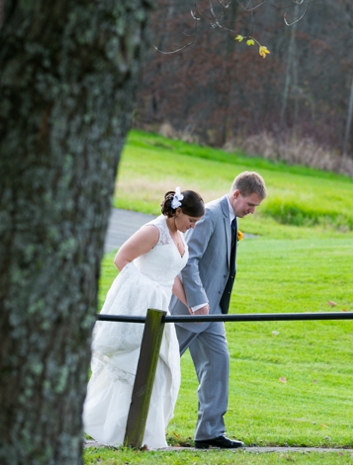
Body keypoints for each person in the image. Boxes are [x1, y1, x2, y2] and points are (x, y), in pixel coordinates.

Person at [83, 188, 205, 450]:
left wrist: (190, 305)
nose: (192, 226)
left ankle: (147, 436)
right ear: (179, 211)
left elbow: (171, 274)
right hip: (142, 307)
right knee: (132, 368)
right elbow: (122, 259)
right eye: (191, 221)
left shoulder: (179, 235)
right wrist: (144, 294)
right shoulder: (154, 231)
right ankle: (119, 434)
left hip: (161, 310)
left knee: (160, 371)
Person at [169, 171, 266, 449]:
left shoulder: (231, 218)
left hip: (212, 314)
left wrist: (211, 308)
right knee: (161, 365)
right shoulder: (210, 214)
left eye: (255, 207)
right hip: (188, 309)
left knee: (218, 364)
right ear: (236, 194)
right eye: (250, 204)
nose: (252, 211)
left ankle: (209, 432)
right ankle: (134, 419)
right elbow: (190, 261)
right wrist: (198, 303)